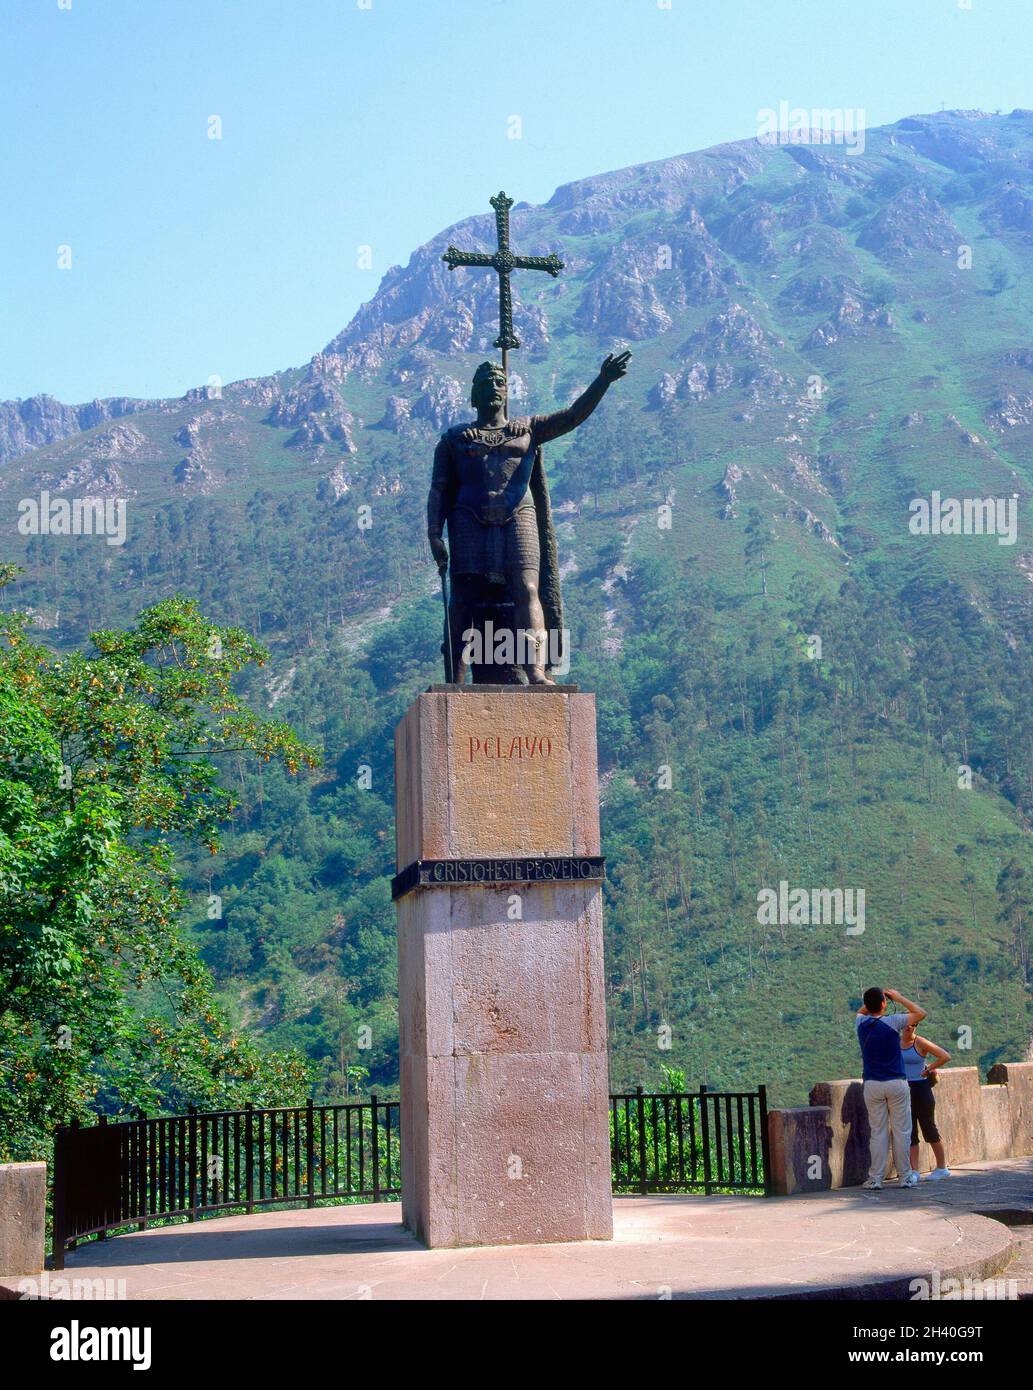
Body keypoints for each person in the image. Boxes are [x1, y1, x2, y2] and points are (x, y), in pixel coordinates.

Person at [855, 986, 926, 1190]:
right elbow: (921, 1013)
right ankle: (904, 1176)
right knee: (902, 1131)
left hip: (872, 1083)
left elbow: (862, 1011)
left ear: (867, 1006)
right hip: (896, 1082)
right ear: (885, 1004)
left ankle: (875, 1178)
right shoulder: (893, 1022)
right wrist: (899, 997)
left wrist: (874, 1002)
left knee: (878, 1132)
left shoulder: (861, 1022)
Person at [900, 1022, 951, 1180]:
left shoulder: (919, 1042)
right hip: (903, 1088)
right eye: (906, 1025)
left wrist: (928, 1069)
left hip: (921, 1088)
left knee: (928, 1127)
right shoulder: (895, 1043)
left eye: (913, 1024)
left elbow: (945, 1056)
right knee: (910, 1131)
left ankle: (942, 1167)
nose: (909, 1027)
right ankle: (914, 1170)